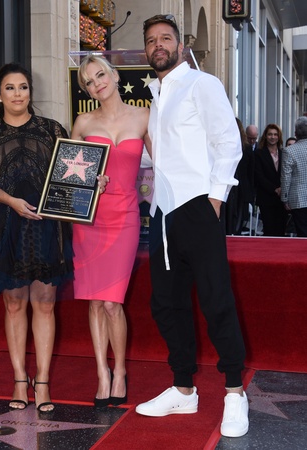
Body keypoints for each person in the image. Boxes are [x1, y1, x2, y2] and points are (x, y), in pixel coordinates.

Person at [135, 14, 249, 439]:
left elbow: (228, 142)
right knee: (166, 304)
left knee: (216, 300)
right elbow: (158, 158)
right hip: (162, 213)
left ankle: (235, 392)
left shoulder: (203, 84)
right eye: (151, 40)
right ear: (146, 50)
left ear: (180, 46)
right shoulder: (155, 96)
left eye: (165, 38)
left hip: (198, 208)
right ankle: (183, 388)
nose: (158, 45)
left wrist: (214, 200)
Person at [0, 63, 73, 413]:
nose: (18, 94)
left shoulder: (52, 129)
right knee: (14, 304)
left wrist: (94, 184)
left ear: (30, 91)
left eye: (24, 87)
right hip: (7, 225)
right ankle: (19, 379)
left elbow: (70, 178)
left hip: (47, 226)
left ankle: (42, 381)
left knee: (44, 303)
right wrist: (11, 201)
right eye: (10, 88)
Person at [71, 54, 150, 407]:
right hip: (90, 220)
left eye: (100, 75)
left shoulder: (144, 117)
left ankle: (120, 371)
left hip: (126, 216)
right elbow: (68, 178)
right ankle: (102, 373)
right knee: (94, 300)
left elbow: (165, 165)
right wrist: (90, 180)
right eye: (89, 82)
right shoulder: (83, 121)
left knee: (112, 302)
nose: (97, 83)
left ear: (115, 75)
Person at [254, 123, 288, 236]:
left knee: (281, 229)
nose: (272, 137)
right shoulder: (258, 154)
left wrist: (282, 189)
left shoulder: (284, 153)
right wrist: (275, 189)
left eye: (275, 134)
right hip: (266, 197)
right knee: (269, 229)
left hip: (282, 198)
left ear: (279, 136)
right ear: (265, 136)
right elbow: (259, 175)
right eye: (270, 134)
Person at [226, 119, 255, 235]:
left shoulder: (246, 148)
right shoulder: (246, 148)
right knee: (235, 219)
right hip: (236, 187)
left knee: (234, 218)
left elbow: (251, 173)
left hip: (238, 189)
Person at [281, 117, 307, 236]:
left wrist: (284, 198)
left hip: (298, 199)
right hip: (299, 199)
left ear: (295, 133)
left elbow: (286, 177)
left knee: (303, 232)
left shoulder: (289, 151)